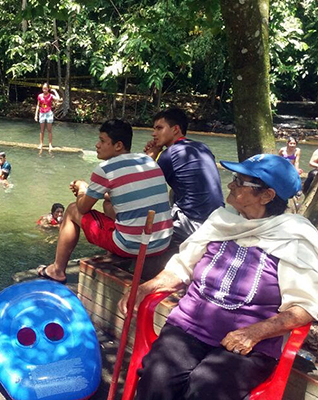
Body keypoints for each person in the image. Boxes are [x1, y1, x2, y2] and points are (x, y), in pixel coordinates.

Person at [118, 154, 318, 400]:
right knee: (157, 379)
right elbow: (181, 268)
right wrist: (145, 287)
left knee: (206, 388)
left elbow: (304, 308)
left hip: (249, 343)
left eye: (240, 181)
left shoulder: (293, 238)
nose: (231, 185)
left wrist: (254, 332)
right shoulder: (222, 222)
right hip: (188, 327)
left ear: (267, 196)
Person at [37, 119, 173, 284]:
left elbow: (82, 207)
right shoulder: (148, 161)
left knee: (72, 210)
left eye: (102, 141)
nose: (97, 145)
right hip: (162, 242)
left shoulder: (105, 169)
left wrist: (82, 189)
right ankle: (112, 251)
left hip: (131, 245)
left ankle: (57, 270)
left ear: (118, 145)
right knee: (108, 203)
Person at [145, 108, 224, 247]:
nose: (154, 133)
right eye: (154, 129)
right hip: (218, 219)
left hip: (194, 224)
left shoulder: (169, 154)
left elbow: (143, 186)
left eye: (159, 128)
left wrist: (151, 156)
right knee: (173, 192)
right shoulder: (202, 147)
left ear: (175, 129)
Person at [34, 83, 60, 151]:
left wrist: (55, 91)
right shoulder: (40, 96)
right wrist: (36, 115)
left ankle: (50, 144)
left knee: (49, 130)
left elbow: (58, 99)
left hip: (48, 113)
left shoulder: (50, 96)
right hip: (42, 113)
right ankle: (41, 144)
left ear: (48, 89)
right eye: (43, 88)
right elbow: (38, 105)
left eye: (45, 88)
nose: (44, 90)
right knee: (42, 130)